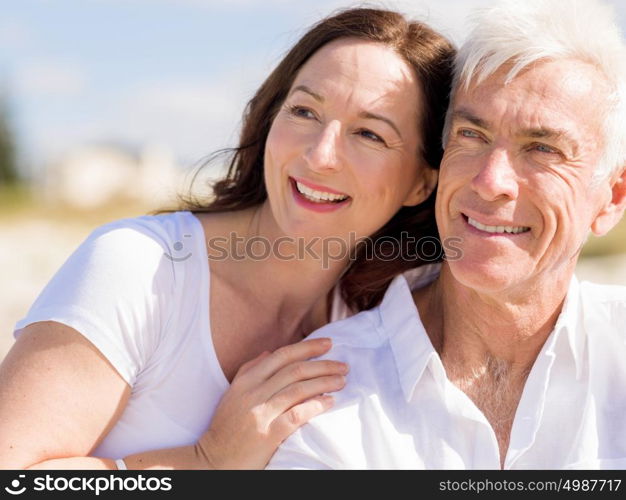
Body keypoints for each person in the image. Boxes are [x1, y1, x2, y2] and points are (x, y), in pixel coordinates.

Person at [0, 8, 455, 469]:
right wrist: (207, 461)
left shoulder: (380, 318)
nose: (320, 156)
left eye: (369, 134)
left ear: (422, 182)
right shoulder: (142, 268)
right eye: (304, 110)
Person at [268, 0, 626, 470]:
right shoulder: (325, 391)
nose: (490, 181)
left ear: (612, 198)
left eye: (542, 148)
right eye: (471, 135)